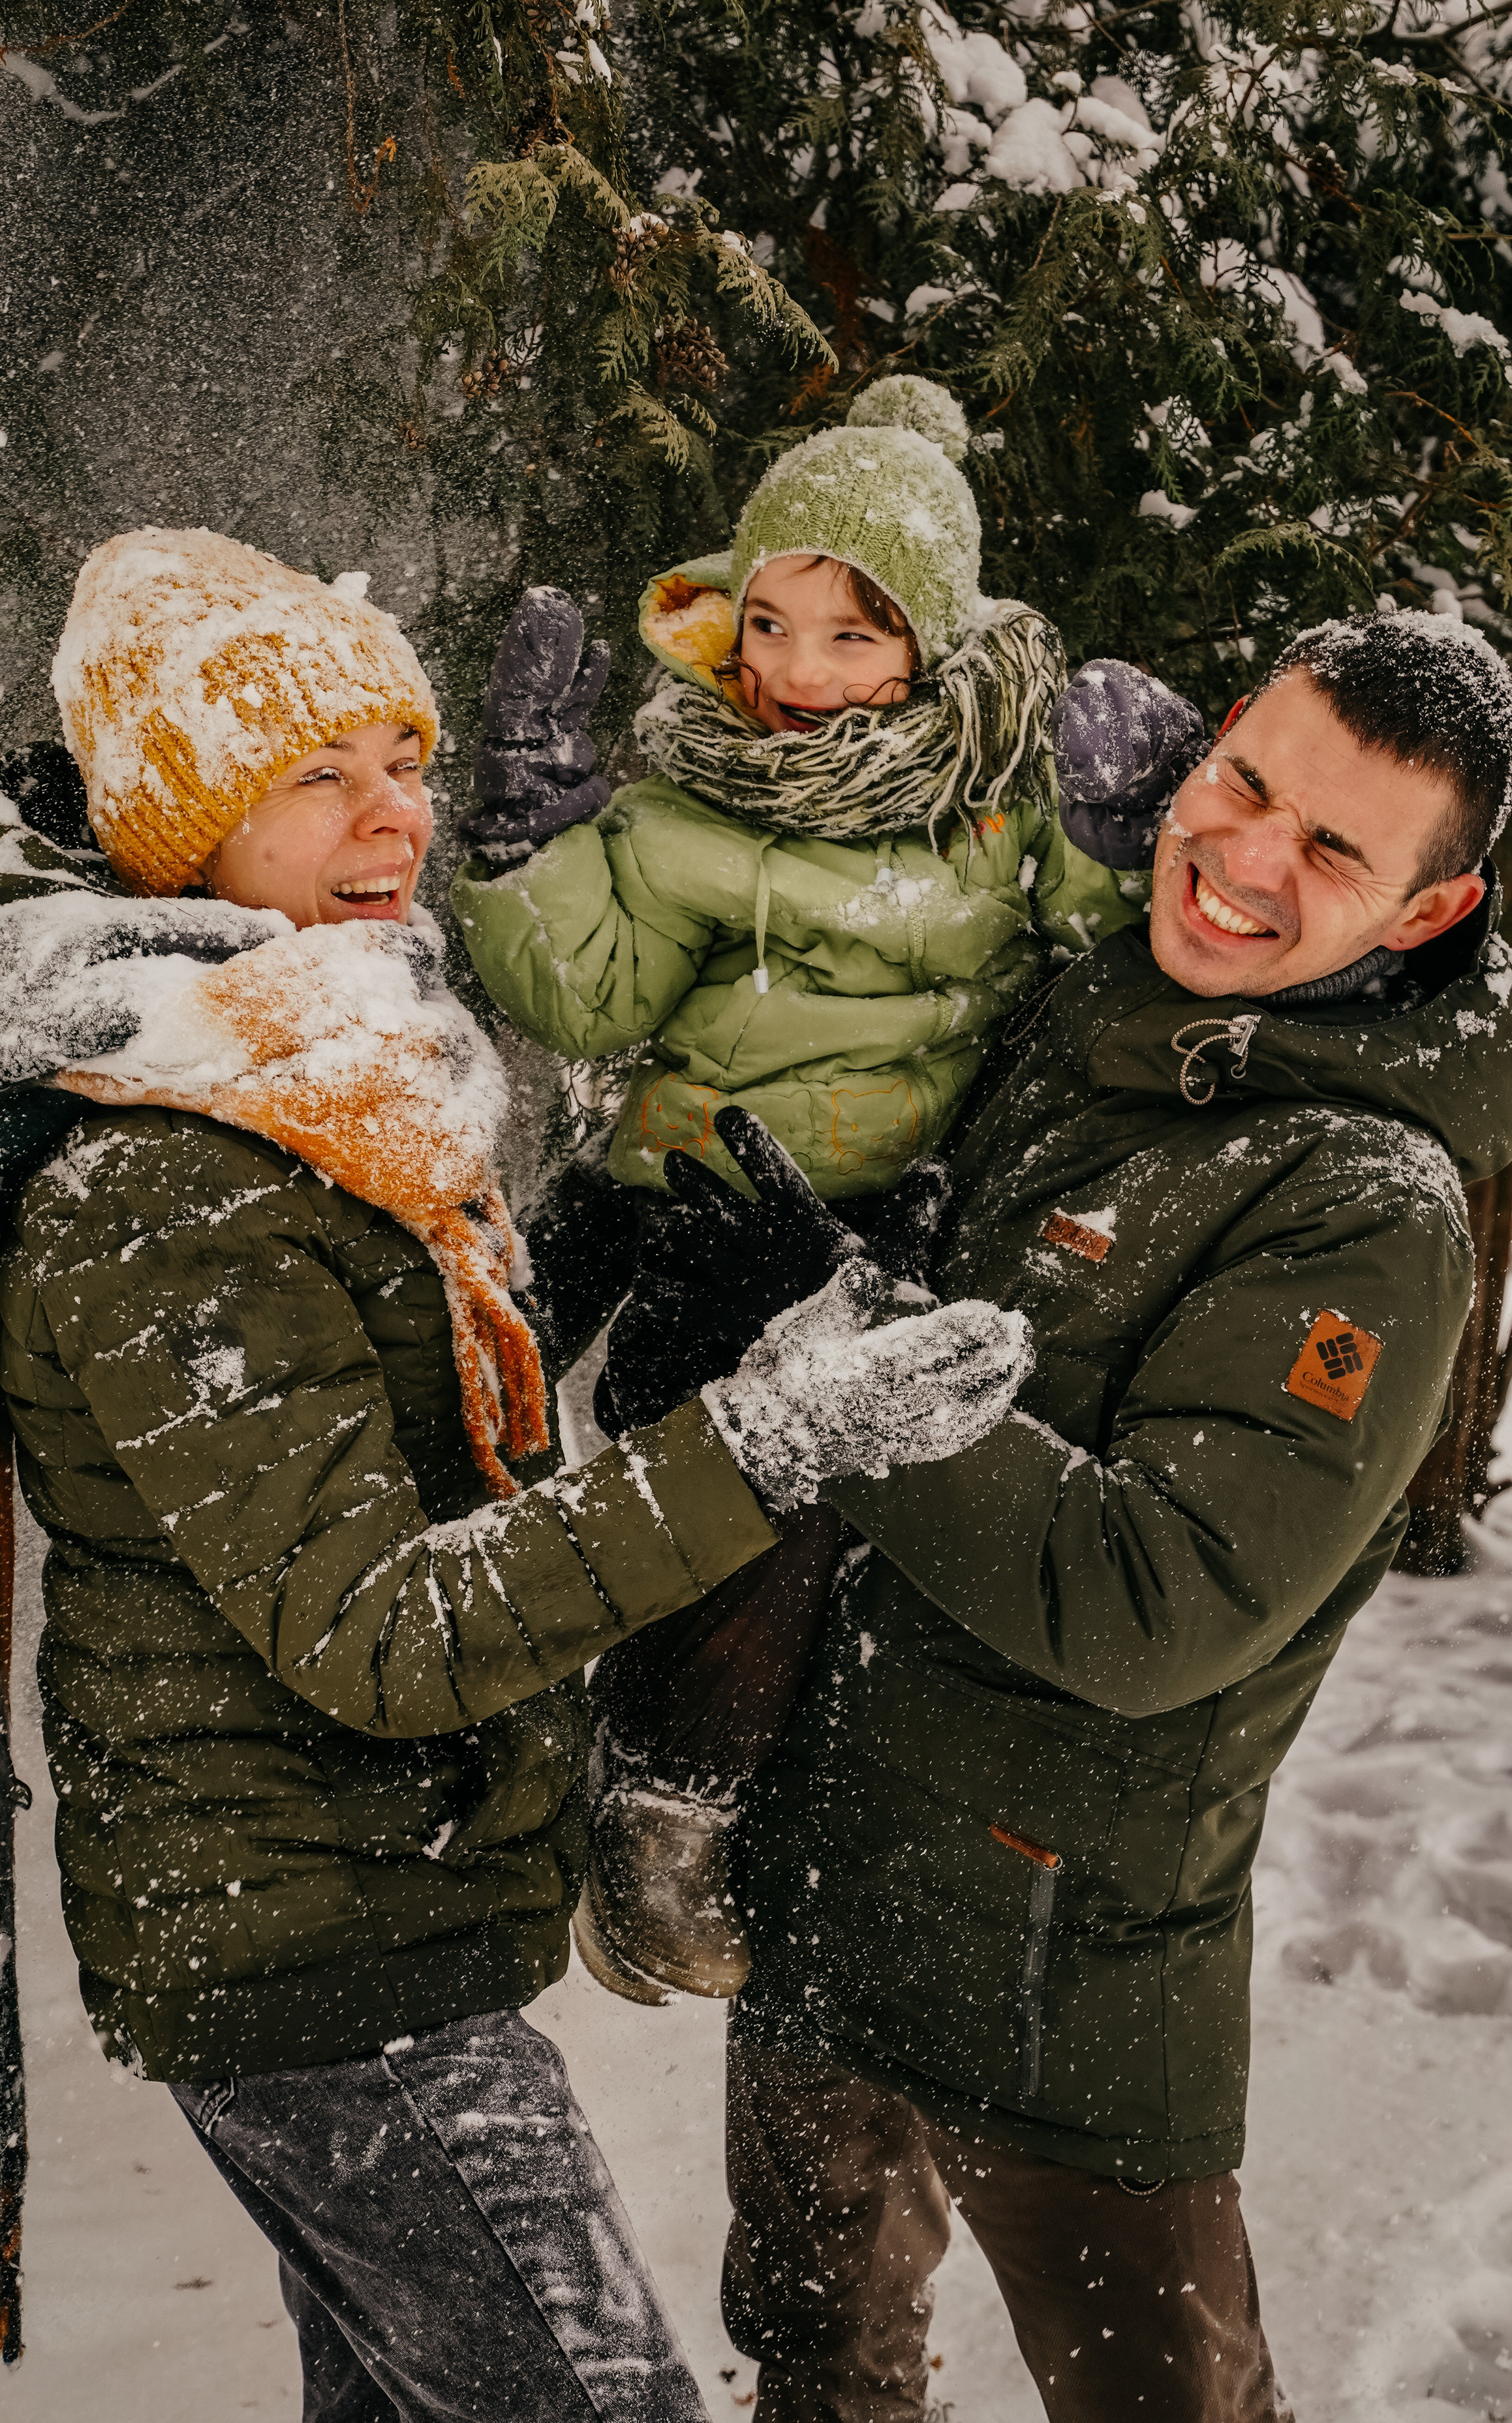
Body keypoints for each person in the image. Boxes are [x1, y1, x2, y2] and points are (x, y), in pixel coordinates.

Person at [0, 527, 1035, 2423]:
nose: (391, 815)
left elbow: (410, 1407)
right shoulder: (170, 1173)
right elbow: (386, 1630)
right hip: (319, 1957)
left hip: (344, 1915)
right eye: (314, 773)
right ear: (179, 830)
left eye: (401, 759)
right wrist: (763, 1441)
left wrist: (644, 1259)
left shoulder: (311, 1069)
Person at [603, 606, 1512, 2423]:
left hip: (1062, 1962)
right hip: (825, 1868)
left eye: (1334, 847)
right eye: (1245, 781)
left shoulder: (1362, 1202)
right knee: (817, 2378)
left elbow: (1152, 1596)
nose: (1246, 856)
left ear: (1429, 912)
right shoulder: (1084, 1001)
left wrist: (836, 1343)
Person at [448, 376, 1153, 2005]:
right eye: (766, 623)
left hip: (880, 1214)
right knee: (629, 1456)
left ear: (932, 641)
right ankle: (583, 1777)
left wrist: (1121, 835)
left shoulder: (996, 798)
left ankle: (677, 1794)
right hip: (688, 1189)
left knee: (827, 1490)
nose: (794, 674)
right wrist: (532, 845)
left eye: (850, 634)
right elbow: (587, 995)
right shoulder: (694, 789)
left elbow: (1099, 951)